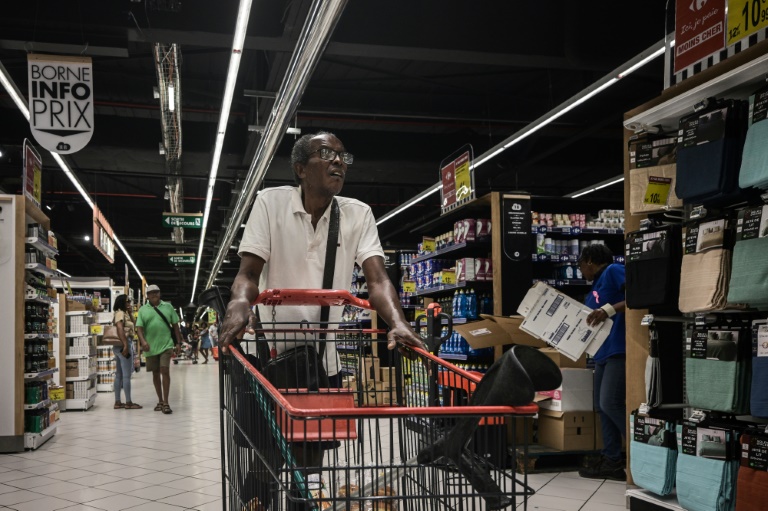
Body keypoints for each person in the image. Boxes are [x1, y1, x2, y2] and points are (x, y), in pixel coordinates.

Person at [218, 131, 425, 509]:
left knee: (310, 465)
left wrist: (398, 320)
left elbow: (377, 280)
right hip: (265, 357)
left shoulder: (357, 214)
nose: (337, 162)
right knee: (265, 462)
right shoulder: (269, 203)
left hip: (321, 362)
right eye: (326, 153)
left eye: (344, 157)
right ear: (300, 168)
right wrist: (238, 304)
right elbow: (248, 274)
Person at [576, 244, 627, 481]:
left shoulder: (613, 270)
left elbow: (638, 293)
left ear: (588, 260)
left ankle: (642, 447)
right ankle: (612, 460)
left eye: (580, 266)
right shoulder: (593, 288)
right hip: (601, 352)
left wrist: (608, 310)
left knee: (610, 402)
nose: (580, 272)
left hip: (619, 347)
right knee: (600, 405)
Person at [136, 284, 184, 414]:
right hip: (150, 347)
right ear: (147, 296)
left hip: (166, 345)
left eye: (156, 292)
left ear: (160, 293)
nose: (154, 294)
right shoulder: (142, 310)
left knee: (165, 370)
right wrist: (143, 341)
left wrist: (178, 343)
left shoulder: (168, 307)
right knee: (155, 373)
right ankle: (160, 400)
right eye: (151, 293)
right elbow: (139, 328)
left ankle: (166, 403)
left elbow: (175, 326)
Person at [112, 294, 141, 409]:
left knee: (119, 374)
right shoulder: (120, 313)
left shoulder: (124, 314)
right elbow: (119, 328)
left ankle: (118, 402)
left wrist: (130, 313)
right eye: (127, 302)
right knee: (126, 375)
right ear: (121, 303)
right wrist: (125, 345)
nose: (129, 304)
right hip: (124, 345)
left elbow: (135, 324)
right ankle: (128, 402)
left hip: (118, 346)